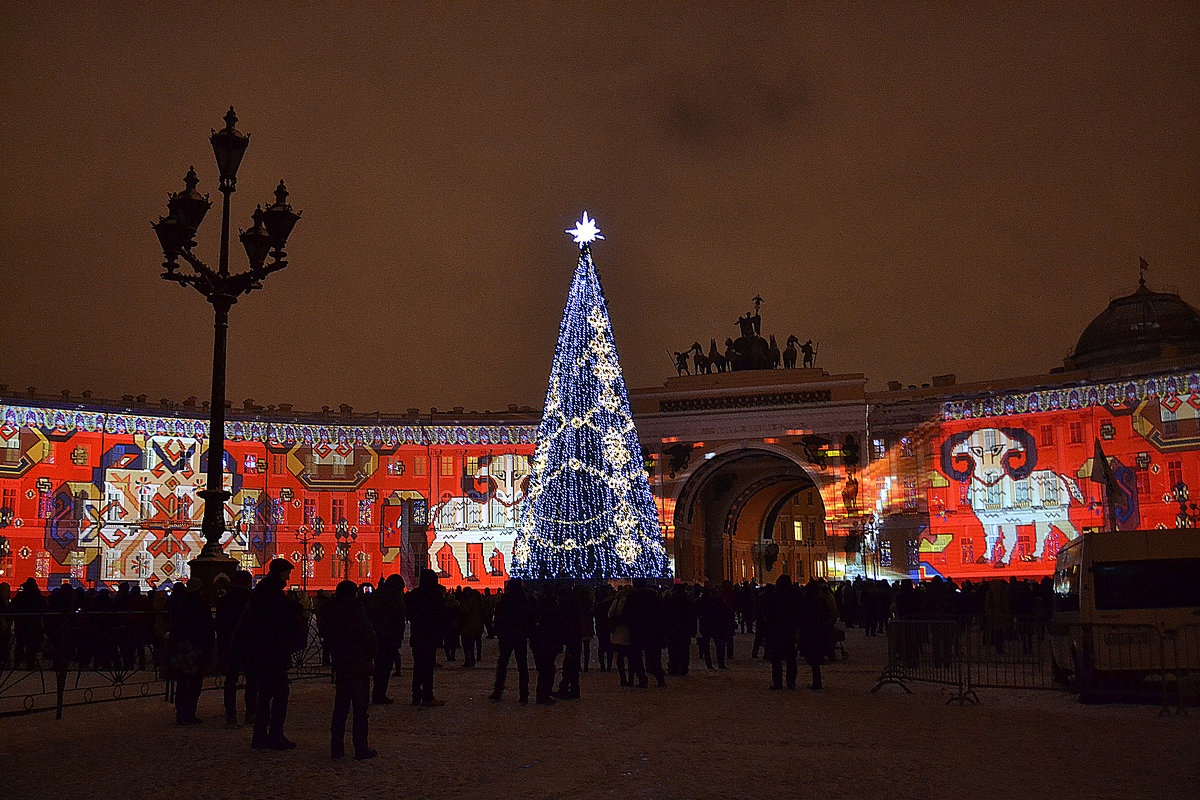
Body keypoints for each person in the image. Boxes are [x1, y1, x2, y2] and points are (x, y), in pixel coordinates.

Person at [240, 558, 306, 749]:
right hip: (272, 651)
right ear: (280, 573)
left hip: (264, 649)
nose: (289, 576)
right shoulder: (272, 591)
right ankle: (275, 735)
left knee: (266, 694)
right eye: (287, 572)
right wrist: (296, 608)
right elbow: (279, 616)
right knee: (278, 693)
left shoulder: (264, 589)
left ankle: (260, 735)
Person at [321, 579, 377, 760]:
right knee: (360, 709)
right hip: (358, 663)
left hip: (342, 662)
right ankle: (360, 747)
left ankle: (336, 747)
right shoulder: (356, 611)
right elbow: (367, 635)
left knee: (341, 707)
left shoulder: (333, 611)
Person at [167, 577, 214, 725]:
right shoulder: (202, 606)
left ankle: (181, 713)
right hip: (197, 647)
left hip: (183, 646)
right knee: (194, 682)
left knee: (182, 681)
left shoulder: (181, 606)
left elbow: (174, 625)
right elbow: (207, 630)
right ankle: (190, 712)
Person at [216, 569, 255, 727]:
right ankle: (250, 713)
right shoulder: (252, 599)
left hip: (230, 644)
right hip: (249, 643)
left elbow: (220, 623)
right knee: (252, 680)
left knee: (230, 681)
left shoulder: (225, 599)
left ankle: (230, 714)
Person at [406, 568, 446, 707]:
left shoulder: (414, 595)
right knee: (428, 667)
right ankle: (428, 696)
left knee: (418, 667)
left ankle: (416, 695)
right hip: (430, 636)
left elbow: (409, 614)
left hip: (417, 635)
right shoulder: (435, 596)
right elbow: (441, 616)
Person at [489, 577, 532, 702]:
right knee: (522, 666)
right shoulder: (524, 602)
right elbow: (529, 620)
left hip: (507, 636)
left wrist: (499, 632)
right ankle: (524, 693)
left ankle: (498, 690)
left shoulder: (504, 602)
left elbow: (498, 620)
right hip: (519, 637)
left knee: (502, 664)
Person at [367, 574, 406, 704]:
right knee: (384, 667)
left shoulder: (379, 594)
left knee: (379, 666)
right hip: (388, 636)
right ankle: (379, 694)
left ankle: (377, 693)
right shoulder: (394, 596)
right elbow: (399, 616)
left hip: (378, 634)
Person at [762, 575, 799, 690]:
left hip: (776, 631)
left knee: (776, 659)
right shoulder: (793, 596)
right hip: (789, 630)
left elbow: (767, 612)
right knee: (790, 658)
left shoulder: (774, 596)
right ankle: (791, 682)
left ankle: (778, 682)